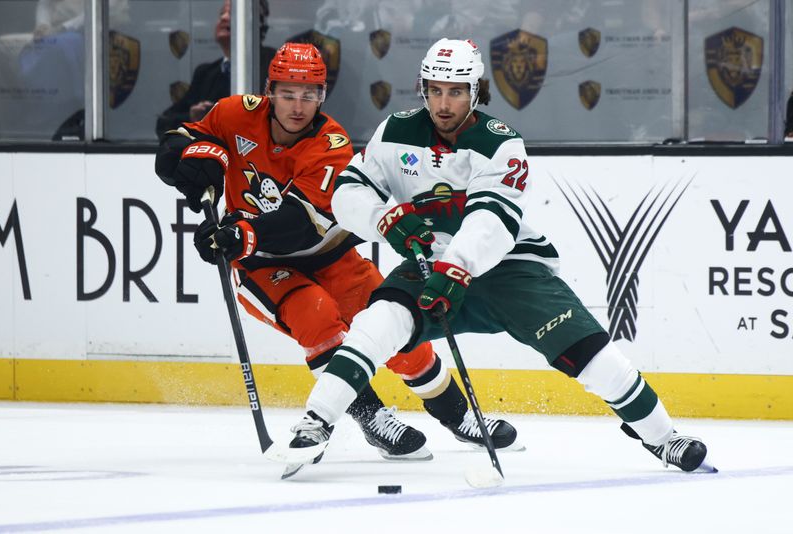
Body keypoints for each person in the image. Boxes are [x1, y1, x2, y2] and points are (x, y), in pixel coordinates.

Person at [286, 38, 713, 474]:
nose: (444, 102)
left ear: (475, 91)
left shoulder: (500, 143)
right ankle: (316, 421)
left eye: (455, 91)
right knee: (375, 325)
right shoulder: (394, 131)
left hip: (510, 269)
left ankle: (663, 437)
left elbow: (491, 221)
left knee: (592, 354)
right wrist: (386, 220)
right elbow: (347, 193)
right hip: (428, 266)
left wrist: (455, 268)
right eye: (434, 90)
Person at [154, 42, 520, 465]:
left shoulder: (331, 143)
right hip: (261, 268)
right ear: (269, 90)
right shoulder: (234, 113)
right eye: (288, 93)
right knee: (316, 314)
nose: (297, 106)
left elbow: (300, 221)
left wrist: (240, 233)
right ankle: (373, 417)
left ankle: (458, 416)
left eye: (309, 95)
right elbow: (184, 137)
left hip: (328, 254)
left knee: (396, 331)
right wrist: (183, 159)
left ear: (322, 95)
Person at [154, 0, 275, 138]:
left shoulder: (274, 67)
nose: (224, 18)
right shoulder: (205, 73)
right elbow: (163, 124)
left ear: (258, 23)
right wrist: (192, 117)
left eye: (232, 12)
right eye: (221, 13)